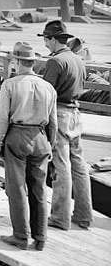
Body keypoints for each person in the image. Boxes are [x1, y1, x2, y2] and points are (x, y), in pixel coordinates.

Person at [0, 42, 58, 250]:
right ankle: (40, 238)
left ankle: (21, 237)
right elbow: (53, 122)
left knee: (17, 188)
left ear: (18, 61)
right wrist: (51, 145)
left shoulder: (10, 85)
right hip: (41, 138)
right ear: (32, 62)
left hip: (17, 136)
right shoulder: (48, 87)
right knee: (39, 189)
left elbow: (2, 118)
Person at [40, 20, 93, 230]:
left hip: (60, 114)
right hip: (76, 115)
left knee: (62, 166)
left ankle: (60, 218)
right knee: (80, 167)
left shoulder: (55, 62)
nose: (45, 44)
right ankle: (84, 216)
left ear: (53, 40)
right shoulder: (78, 59)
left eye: (45, 39)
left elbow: (46, 92)